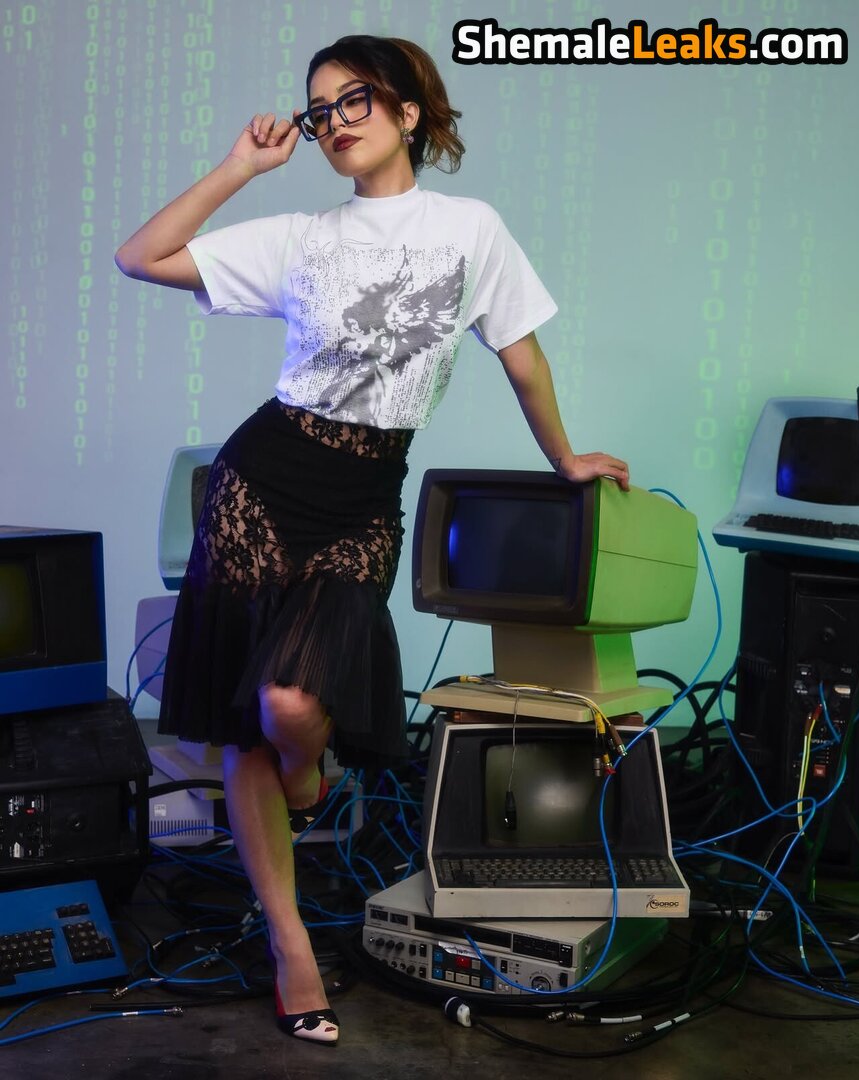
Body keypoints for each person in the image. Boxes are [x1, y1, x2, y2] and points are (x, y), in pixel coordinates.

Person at [116, 34, 629, 1046]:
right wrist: (240, 166)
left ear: (408, 111)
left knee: (291, 703)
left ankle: (309, 777)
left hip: (360, 499)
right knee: (248, 723)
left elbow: (522, 359)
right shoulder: (302, 236)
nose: (334, 120)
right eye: (319, 110)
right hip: (260, 484)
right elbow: (141, 256)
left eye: (355, 99)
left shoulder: (470, 229)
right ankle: (290, 946)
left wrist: (565, 456)